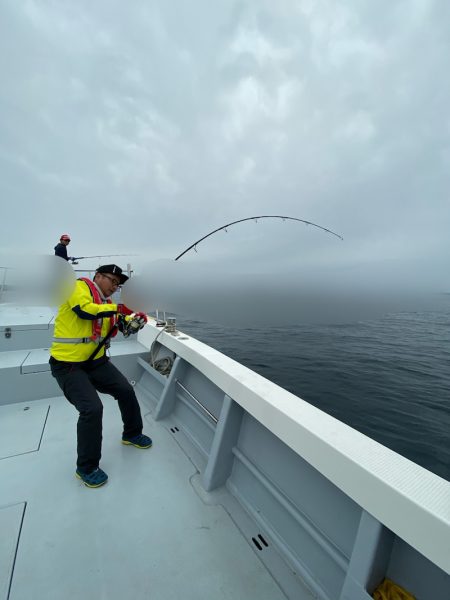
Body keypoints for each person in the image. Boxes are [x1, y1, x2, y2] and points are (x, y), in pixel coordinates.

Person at [49, 264, 151, 488]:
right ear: (97, 276)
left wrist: (131, 323)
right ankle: (86, 468)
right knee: (92, 409)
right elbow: (84, 310)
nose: (114, 287)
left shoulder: (105, 305)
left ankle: (132, 434)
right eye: (111, 281)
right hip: (68, 365)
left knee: (126, 390)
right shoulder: (77, 287)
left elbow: (120, 327)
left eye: (118, 284)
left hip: (95, 362)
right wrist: (120, 309)